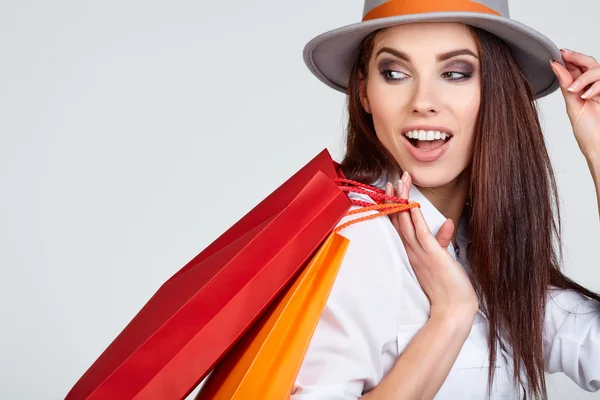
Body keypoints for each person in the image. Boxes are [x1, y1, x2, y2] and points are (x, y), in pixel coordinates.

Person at [291, 1, 600, 399]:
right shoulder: (358, 238)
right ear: (364, 92)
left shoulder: (486, 247)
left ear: (498, 90)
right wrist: (450, 316)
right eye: (395, 73)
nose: (423, 101)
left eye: (455, 73)